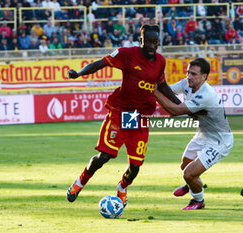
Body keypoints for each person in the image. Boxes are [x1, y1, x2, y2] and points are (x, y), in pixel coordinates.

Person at [66, 24, 181, 207]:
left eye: (155, 42)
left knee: (135, 167)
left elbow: (163, 86)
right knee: (104, 157)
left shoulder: (160, 61)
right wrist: (79, 74)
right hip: (122, 113)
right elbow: (100, 63)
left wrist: (180, 105)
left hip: (141, 117)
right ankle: (79, 182)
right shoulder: (126, 54)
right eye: (148, 42)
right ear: (140, 41)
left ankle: (122, 187)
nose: (152, 46)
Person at [154, 58, 233, 210]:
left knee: (188, 173)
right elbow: (168, 90)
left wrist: (154, 92)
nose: (189, 76)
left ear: (204, 77)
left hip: (220, 141)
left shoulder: (206, 95)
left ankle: (198, 200)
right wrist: (156, 82)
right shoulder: (187, 83)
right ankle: (192, 183)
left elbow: (175, 111)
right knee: (185, 164)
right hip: (203, 134)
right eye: (188, 72)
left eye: (194, 74)